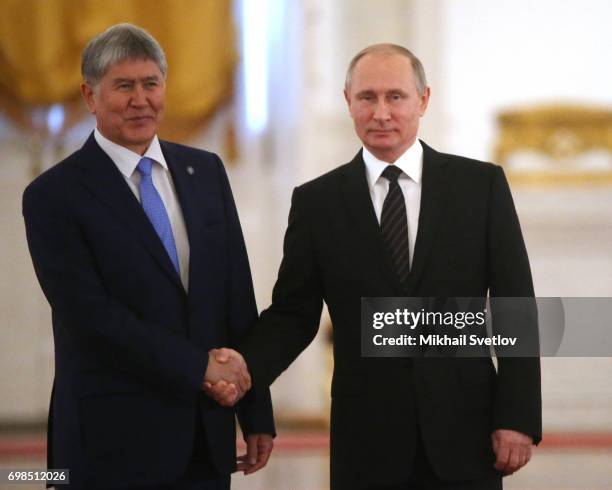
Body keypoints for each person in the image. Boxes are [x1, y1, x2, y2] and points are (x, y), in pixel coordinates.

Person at [209, 44, 542, 489]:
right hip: (367, 442)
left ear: (423, 100)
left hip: (466, 434)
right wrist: (243, 368)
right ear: (348, 101)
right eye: (367, 97)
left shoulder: (480, 187)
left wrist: (517, 416)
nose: (381, 112)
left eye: (395, 97)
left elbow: (514, 307)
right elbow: (294, 315)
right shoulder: (316, 203)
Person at [22, 23, 274, 490]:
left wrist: (255, 409)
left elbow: (235, 296)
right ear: (89, 96)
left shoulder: (206, 172)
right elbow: (91, 318)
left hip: (204, 439)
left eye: (151, 84)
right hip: (108, 442)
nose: (141, 99)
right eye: (123, 86)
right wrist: (200, 368)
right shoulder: (53, 195)